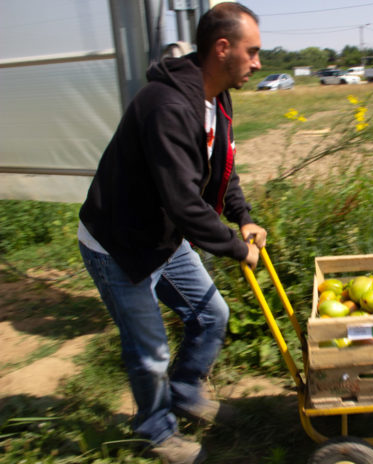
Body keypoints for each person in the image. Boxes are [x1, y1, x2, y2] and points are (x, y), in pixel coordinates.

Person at [77, 3, 265, 463]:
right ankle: (155, 430)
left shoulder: (216, 97)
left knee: (212, 315)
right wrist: (237, 249)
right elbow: (184, 203)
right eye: (253, 51)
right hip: (118, 243)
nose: (258, 63)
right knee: (150, 351)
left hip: (162, 235)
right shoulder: (164, 106)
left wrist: (242, 215)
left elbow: (223, 169)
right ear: (223, 48)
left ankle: (182, 393)